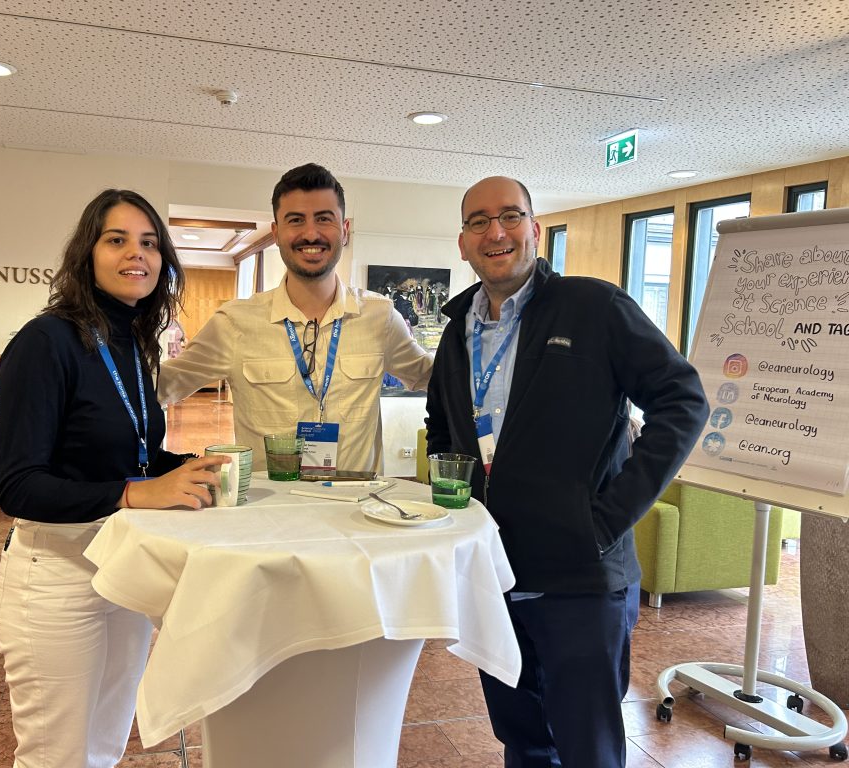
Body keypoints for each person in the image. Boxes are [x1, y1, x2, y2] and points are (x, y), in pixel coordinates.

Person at [425, 176, 708, 768]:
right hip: (493, 574)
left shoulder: (594, 307)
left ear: (534, 228)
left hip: (580, 578)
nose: (495, 232)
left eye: (510, 216)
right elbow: (443, 425)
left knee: (587, 747)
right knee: (522, 737)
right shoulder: (457, 331)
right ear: (463, 241)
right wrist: (456, 509)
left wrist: (605, 520)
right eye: (479, 221)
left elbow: (683, 401)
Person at [0, 189, 226, 768]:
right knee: (56, 756)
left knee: (103, 746)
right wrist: (136, 493)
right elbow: (18, 486)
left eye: (149, 243)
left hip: (121, 566)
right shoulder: (44, 342)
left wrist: (190, 467)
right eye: (116, 240)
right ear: (87, 253)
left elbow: (134, 457)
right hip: (55, 575)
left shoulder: (132, 343)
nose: (135, 254)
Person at [159, 163, 433, 473]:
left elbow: (436, 378)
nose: (311, 233)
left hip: (354, 501)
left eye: (324, 218)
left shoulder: (379, 317)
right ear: (276, 232)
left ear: (344, 230)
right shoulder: (234, 323)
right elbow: (157, 388)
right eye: (296, 220)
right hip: (270, 503)